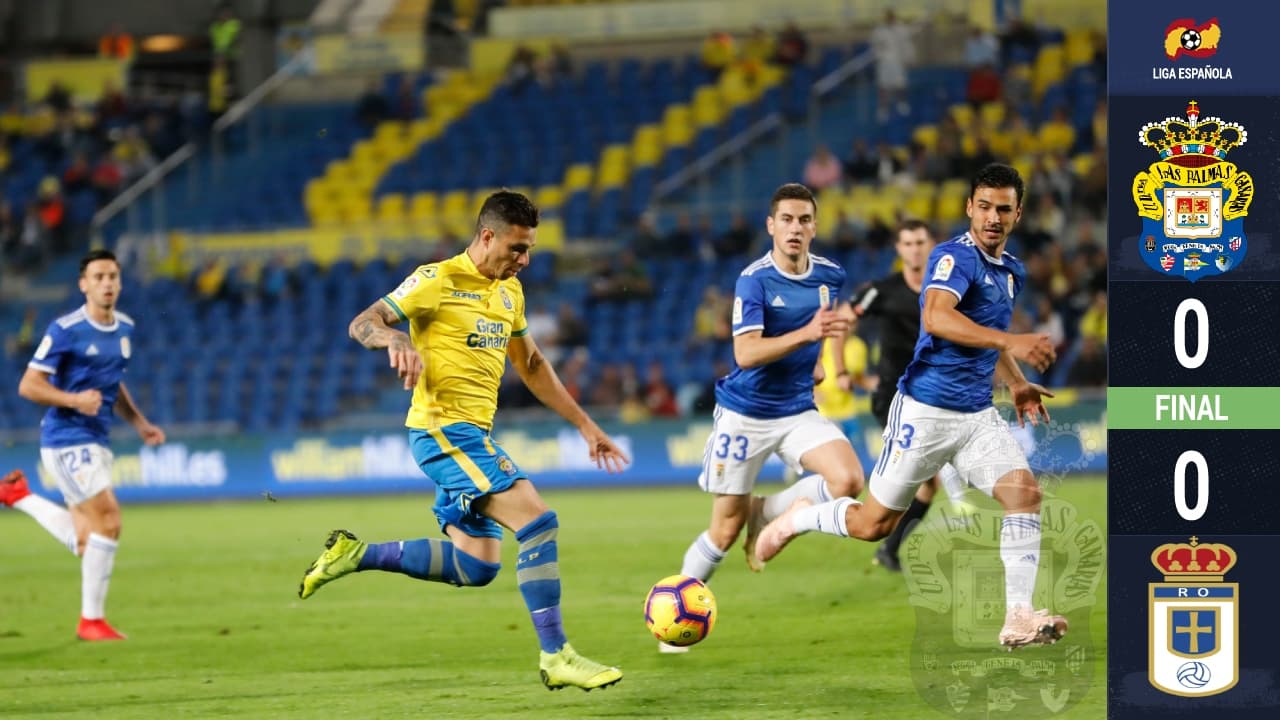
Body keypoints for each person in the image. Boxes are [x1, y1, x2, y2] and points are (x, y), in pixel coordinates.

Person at [297, 191, 629, 691]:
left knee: (475, 566)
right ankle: (557, 654)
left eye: (530, 249)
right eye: (517, 248)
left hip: (471, 434)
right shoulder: (437, 279)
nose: (525, 260)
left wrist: (586, 425)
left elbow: (533, 367)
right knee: (538, 522)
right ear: (487, 235)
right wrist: (396, 339)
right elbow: (363, 322)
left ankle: (354, 553)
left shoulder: (510, 293)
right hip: (442, 431)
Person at [754, 164, 1068, 650]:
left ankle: (1018, 617)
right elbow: (938, 316)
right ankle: (797, 517)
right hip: (924, 413)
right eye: (983, 206)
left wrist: (1018, 383)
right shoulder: (952, 258)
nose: (992, 217)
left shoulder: (1010, 271)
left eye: (1003, 208)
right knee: (872, 525)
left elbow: (988, 337)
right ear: (969, 208)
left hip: (977, 417)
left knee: (1024, 495)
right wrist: (1014, 340)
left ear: (1017, 213)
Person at [664, 183, 861, 652]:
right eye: (787, 220)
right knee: (725, 530)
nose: (796, 228)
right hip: (744, 414)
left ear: (815, 226)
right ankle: (675, 627)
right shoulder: (753, 279)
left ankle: (774, 513)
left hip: (796, 409)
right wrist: (806, 334)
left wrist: (816, 359)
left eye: (804, 220)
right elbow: (745, 352)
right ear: (771, 226)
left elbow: (823, 324)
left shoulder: (832, 275)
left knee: (848, 480)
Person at [0, 248, 166, 641]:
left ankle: (18, 496)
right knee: (109, 520)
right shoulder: (65, 330)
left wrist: (140, 423)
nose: (107, 283)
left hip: (97, 438)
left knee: (87, 541)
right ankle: (91, 621)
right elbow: (29, 385)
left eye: (112, 276)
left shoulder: (124, 328)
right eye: (98, 277)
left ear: (120, 282)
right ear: (83, 285)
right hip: (65, 439)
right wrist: (75, 400)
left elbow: (113, 383)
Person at [838, 219, 971, 572]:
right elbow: (842, 320)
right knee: (920, 482)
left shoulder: (945, 291)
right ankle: (839, 518)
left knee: (928, 486)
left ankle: (888, 550)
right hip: (894, 399)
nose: (914, 248)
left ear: (931, 246)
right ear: (899, 249)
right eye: (907, 243)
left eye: (920, 242)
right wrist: (838, 368)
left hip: (931, 397)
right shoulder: (883, 290)